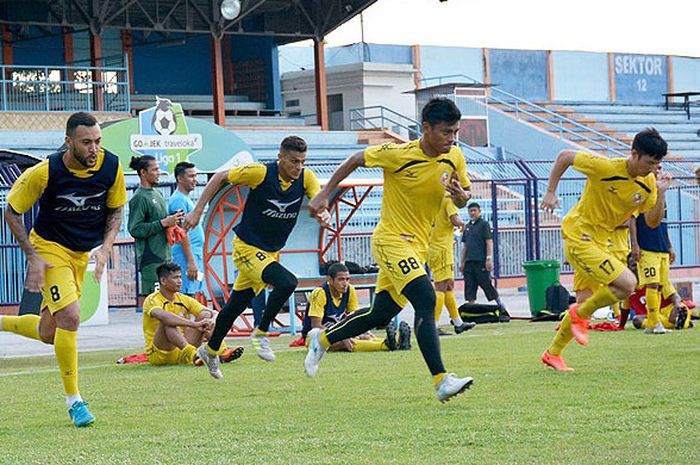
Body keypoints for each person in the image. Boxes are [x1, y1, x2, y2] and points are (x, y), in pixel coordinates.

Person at [304, 98, 475, 403]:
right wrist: (324, 195)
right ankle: (441, 380)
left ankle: (323, 339)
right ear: (426, 129)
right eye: (447, 132)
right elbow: (355, 159)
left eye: (455, 132)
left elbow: (463, 196)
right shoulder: (398, 154)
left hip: (418, 247)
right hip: (391, 240)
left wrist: (462, 198)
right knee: (425, 297)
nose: (452, 138)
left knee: (380, 314)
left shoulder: (455, 157)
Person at [0, 112, 126, 426]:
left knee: (49, 332)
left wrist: (107, 246)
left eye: (97, 141)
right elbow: (12, 213)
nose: (94, 149)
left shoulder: (111, 167)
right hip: (49, 247)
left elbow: (116, 209)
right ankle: (75, 402)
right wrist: (32, 256)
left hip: (81, 253)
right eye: (86, 143)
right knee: (71, 316)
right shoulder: (45, 172)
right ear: (69, 142)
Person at [183, 136, 330, 378]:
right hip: (246, 248)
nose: (298, 167)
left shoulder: (306, 177)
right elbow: (220, 177)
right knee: (287, 282)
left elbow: (316, 200)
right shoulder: (260, 173)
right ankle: (261, 333)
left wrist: (322, 213)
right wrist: (198, 210)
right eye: (293, 161)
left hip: (269, 252)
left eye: (302, 161)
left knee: (234, 307)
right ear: (280, 157)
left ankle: (209, 351)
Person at [540, 128, 671, 372]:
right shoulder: (606, 168)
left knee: (585, 302)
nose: (653, 169)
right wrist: (550, 191)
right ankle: (580, 314)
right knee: (628, 284)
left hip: (602, 243)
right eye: (650, 163)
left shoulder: (649, 183)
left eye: (657, 165)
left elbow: (652, 221)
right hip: (579, 235)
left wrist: (661, 194)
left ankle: (553, 354)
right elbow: (565, 156)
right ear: (634, 154)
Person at [142, 262, 243, 366]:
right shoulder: (151, 300)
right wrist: (194, 325)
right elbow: (164, 317)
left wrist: (211, 320)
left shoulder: (183, 299)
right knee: (167, 322)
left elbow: (214, 313)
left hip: (183, 351)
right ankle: (194, 355)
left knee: (205, 315)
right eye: (176, 278)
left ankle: (222, 351)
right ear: (163, 281)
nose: (180, 281)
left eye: (180, 277)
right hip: (160, 353)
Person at [301, 263, 411, 352]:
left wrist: (362, 332)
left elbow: (354, 318)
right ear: (330, 280)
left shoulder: (350, 290)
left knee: (365, 337)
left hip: (337, 331)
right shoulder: (320, 293)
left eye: (348, 279)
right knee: (348, 342)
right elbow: (316, 327)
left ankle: (396, 343)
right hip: (314, 338)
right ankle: (386, 345)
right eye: (341, 279)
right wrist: (342, 336)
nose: (345, 283)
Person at [128, 155, 183, 300]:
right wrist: (163, 223)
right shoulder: (139, 197)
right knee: (154, 303)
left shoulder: (157, 193)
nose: (159, 172)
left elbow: (161, 222)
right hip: (151, 259)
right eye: (155, 169)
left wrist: (173, 222)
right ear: (143, 173)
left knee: (169, 302)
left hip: (165, 256)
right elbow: (135, 229)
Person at [429, 197, 475, 335]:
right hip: (442, 249)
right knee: (441, 285)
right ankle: (433, 326)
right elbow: (454, 218)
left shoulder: (431, 199)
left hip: (432, 247)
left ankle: (458, 323)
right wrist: (462, 225)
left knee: (449, 285)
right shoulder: (447, 199)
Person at [459, 202, 509, 320]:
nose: (472, 213)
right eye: (470, 211)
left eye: (475, 210)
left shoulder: (484, 224)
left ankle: (500, 305)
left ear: (479, 211)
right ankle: (471, 311)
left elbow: (489, 242)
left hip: (480, 260)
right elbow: (465, 246)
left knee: (486, 283)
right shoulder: (467, 227)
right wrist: (462, 262)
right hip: (469, 262)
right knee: (470, 286)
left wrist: (489, 258)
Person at [632, 209, 677, 334]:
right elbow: (632, 219)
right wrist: (634, 244)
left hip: (662, 248)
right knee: (652, 284)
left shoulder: (662, 199)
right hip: (647, 248)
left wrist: (669, 246)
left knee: (660, 287)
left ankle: (652, 324)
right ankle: (655, 323)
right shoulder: (644, 195)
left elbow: (664, 224)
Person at [168, 162, 205, 295]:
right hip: (185, 255)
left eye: (195, 176)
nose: (195, 180)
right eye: (191, 176)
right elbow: (181, 232)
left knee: (194, 292)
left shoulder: (185, 199)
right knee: (186, 295)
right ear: (180, 178)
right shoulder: (178, 200)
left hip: (194, 253)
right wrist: (190, 261)